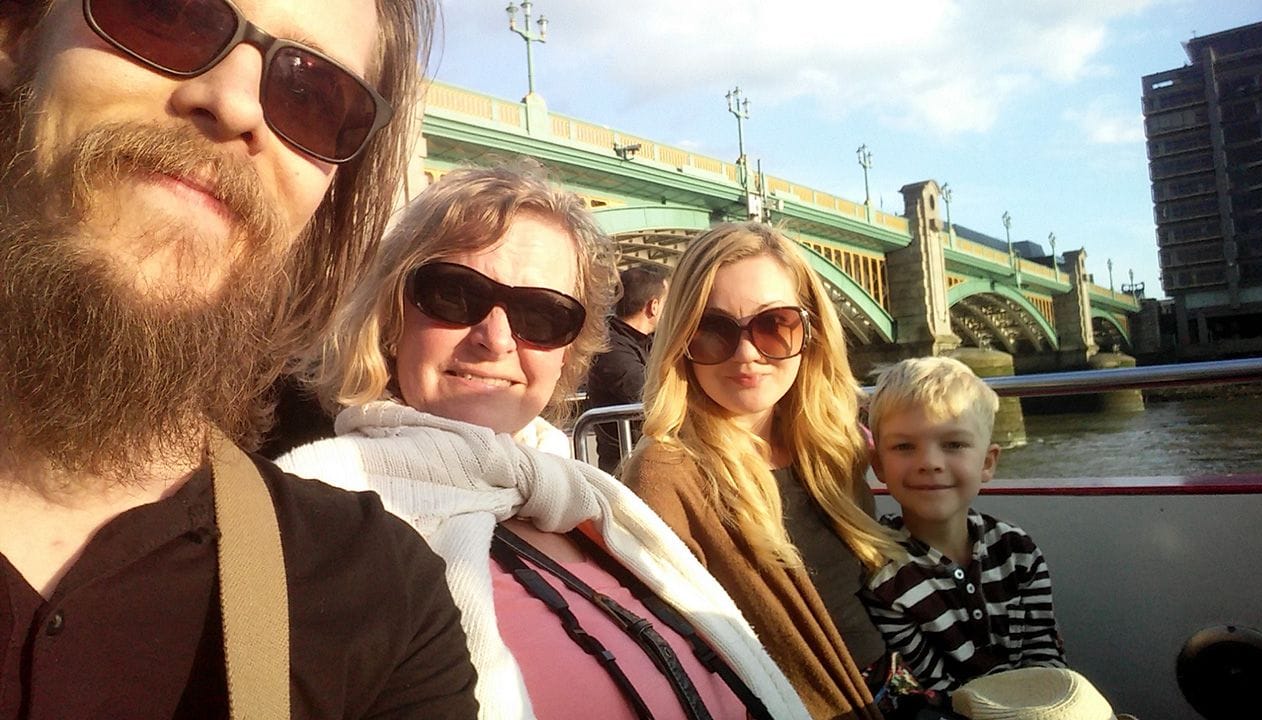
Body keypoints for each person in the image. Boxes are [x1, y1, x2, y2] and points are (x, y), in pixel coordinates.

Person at [0, 0, 478, 717]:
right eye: (168, 14)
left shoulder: (384, 598)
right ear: (18, 33)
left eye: (314, 94)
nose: (234, 103)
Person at [277, 165, 808, 720]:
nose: (496, 339)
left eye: (542, 314)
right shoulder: (320, 524)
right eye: (454, 294)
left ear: (569, 351)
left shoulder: (583, 501)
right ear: (392, 316)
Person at [622, 221, 905, 720]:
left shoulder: (829, 446)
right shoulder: (665, 475)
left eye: (775, 324)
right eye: (713, 329)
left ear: (810, 333)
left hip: (892, 690)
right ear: (681, 338)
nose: (747, 353)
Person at [859, 356, 1066, 691]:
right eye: (904, 446)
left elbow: (1044, 653)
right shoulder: (884, 578)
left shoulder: (1019, 551)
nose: (930, 462)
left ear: (987, 463)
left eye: (953, 444)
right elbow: (931, 689)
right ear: (878, 465)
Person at [587, 263, 671, 473]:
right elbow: (646, 392)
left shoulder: (646, 342)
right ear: (653, 306)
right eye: (668, 303)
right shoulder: (611, 348)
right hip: (626, 468)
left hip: (646, 458)